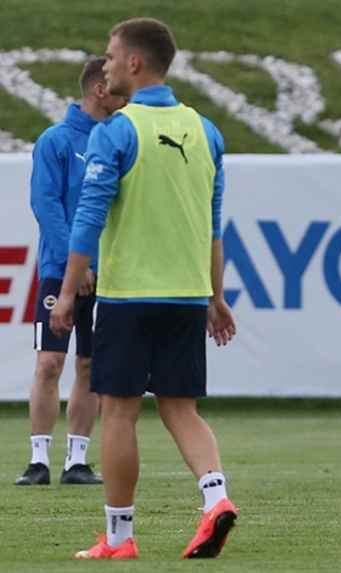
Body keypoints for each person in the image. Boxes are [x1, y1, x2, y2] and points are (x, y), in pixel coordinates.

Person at [49, 17, 239, 559]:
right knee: (182, 409)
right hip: (185, 295)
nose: (104, 65)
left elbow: (87, 219)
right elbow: (213, 224)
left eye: (109, 56)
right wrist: (215, 296)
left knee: (121, 411)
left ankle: (119, 538)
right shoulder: (207, 130)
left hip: (129, 297)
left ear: (134, 62)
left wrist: (66, 293)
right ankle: (215, 498)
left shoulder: (115, 130)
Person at [16, 58, 125, 487]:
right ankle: (38, 459)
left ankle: (76, 461)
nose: (125, 95)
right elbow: (47, 206)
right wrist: (74, 265)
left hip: (110, 274)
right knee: (49, 362)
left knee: (90, 366)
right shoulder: (56, 140)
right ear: (100, 89)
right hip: (60, 273)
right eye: (118, 87)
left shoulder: (118, 140)